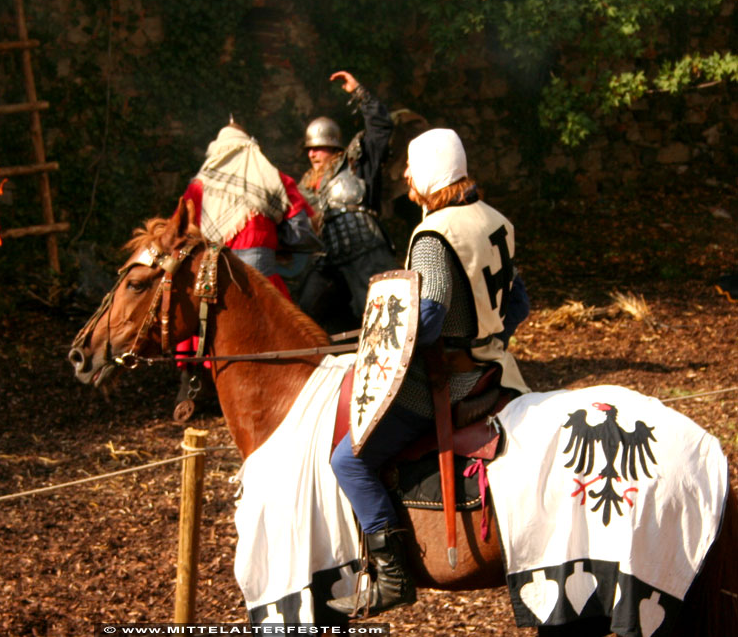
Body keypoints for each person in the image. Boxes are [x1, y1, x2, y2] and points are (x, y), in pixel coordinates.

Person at [328, 128, 530, 616]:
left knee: (347, 460)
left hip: (449, 382)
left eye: (412, 167)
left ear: (432, 172)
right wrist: (488, 338)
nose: (403, 175)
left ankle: (392, 576)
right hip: (498, 370)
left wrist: (385, 346)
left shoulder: (434, 234)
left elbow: (431, 316)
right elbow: (519, 303)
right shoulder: (494, 219)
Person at [173, 119, 316, 419]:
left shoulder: (199, 185)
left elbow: (181, 232)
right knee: (276, 331)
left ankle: (189, 395)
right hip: (260, 275)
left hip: (213, 274)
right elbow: (301, 228)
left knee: (201, 324)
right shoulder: (269, 176)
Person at [296, 71, 400, 333]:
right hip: (328, 262)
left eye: (318, 147)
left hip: (365, 256)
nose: (312, 153)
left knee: (385, 320)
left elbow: (380, 129)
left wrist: (359, 93)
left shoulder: (355, 164)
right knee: (305, 314)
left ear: (333, 146)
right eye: (309, 149)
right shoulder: (306, 185)